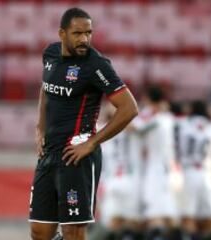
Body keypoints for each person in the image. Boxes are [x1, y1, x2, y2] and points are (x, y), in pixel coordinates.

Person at [29, 8, 138, 240]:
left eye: (88, 33)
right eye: (77, 33)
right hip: (48, 154)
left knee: (73, 231)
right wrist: (40, 126)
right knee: (40, 231)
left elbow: (129, 108)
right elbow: (45, 88)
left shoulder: (96, 65)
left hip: (76, 156)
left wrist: (92, 143)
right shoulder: (50, 55)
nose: (84, 39)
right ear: (62, 33)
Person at [131, 86, 179, 240]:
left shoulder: (154, 117)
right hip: (170, 168)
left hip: (155, 169)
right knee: (168, 213)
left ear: (147, 98)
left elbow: (133, 126)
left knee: (154, 214)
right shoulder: (168, 117)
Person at [175, 101, 211, 240]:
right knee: (210, 218)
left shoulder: (183, 123)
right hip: (208, 174)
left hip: (189, 172)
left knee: (187, 216)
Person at [99, 103, 144, 240]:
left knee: (132, 222)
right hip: (112, 180)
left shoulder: (132, 126)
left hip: (129, 179)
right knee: (115, 222)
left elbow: (137, 127)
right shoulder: (100, 128)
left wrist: (117, 116)